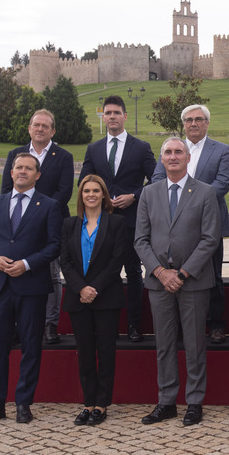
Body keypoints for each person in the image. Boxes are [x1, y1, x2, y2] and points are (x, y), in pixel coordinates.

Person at [134, 138, 221, 427]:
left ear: (187, 158)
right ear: (161, 159)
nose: (173, 157)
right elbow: (140, 240)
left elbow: (210, 239)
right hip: (159, 283)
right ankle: (167, 401)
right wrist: (160, 272)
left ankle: (194, 402)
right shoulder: (148, 193)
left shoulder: (206, 193)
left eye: (178, 152)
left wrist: (182, 274)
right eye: (168, 152)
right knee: (165, 344)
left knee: (195, 344)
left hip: (193, 282)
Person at [0, 153, 62, 426]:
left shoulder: (49, 206)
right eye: (18, 167)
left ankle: (24, 403)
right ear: (11, 172)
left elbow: (54, 246)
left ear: (38, 175)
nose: (23, 171)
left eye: (29, 168)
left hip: (31, 287)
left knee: (31, 347)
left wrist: (26, 264)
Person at [152, 104, 229, 344]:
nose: (193, 123)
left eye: (199, 119)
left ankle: (216, 324)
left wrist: (192, 203)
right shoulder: (172, 149)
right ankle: (176, 325)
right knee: (177, 273)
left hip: (209, 224)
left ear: (207, 123)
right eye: (188, 120)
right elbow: (157, 179)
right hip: (172, 226)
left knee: (213, 277)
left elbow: (222, 184)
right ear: (183, 123)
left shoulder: (222, 151)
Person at [79, 95, 156, 343]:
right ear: (103, 117)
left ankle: (134, 325)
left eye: (116, 112)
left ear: (125, 116)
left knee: (133, 273)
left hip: (133, 221)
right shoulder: (94, 149)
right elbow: (83, 183)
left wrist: (134, 196)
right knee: (103, 273)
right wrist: (99, 199)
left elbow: (157, 180)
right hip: (101, 222)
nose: (111, 116)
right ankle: (105, 326)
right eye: (108, 113)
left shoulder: (141, 147)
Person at [1, 109, 74, 346]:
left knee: (52, 275)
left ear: (53, 130)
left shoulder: (63, 157)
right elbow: (5, 192)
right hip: (18, 227)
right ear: (30, 128)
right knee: (16, 273)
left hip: (52, 226)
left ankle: (49, 324)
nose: (40, 129)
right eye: (36, 125)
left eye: (45, 126)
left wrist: (39, 214)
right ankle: (16, 324)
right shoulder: (16, 154)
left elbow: (64, 193)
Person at [58, 175, 125, 426]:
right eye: (87, 190)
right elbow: (65, 261)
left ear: (104, 195)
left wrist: (94, 288)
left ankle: (101, 404)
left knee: (106, 352)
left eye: (96, 190)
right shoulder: (69, 224)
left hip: (106, 296)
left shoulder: (116, 223)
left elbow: (116, 261)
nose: (91, 194)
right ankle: (87, 403)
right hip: (78, 299)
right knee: (85, 353)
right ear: (81, 195)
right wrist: (80, 289)